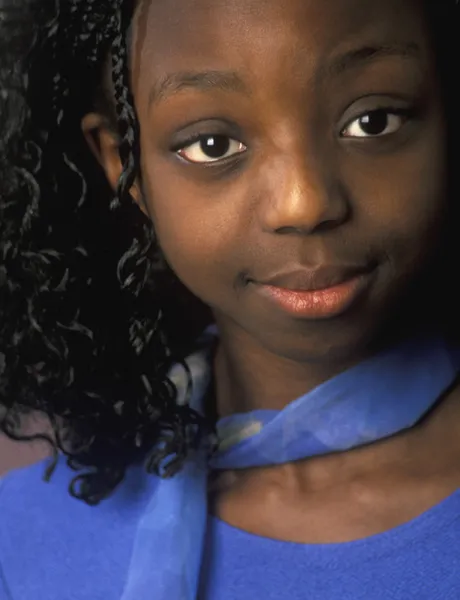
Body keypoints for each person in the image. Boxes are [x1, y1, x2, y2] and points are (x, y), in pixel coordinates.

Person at [1, 0, 460, 597]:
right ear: (125, 164)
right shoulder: (25, 543)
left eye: (372, 120)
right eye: (213, 144)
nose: (304, 202)